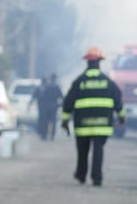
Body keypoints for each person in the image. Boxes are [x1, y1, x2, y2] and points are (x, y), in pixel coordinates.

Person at [61, 46, 125, 187]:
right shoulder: (108, 82)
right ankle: (97, 178)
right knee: (98, 151)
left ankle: (81, 175)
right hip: (102, 125)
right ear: (99, 62)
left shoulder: (79, 82)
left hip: (82, 124)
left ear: (87, 62)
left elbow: (68, 103)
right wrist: (121, 117)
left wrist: (64, 121)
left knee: (82, 151)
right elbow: (118, 100)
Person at [42, 73, 63, 140]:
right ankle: (52, 136)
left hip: (47, 107)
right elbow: (61, 97)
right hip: (54, 107)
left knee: (46, 121)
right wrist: (60, 105)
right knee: (53, 122)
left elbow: (43, 97)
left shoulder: (47, 87)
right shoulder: (57, 87)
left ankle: (45, 135)